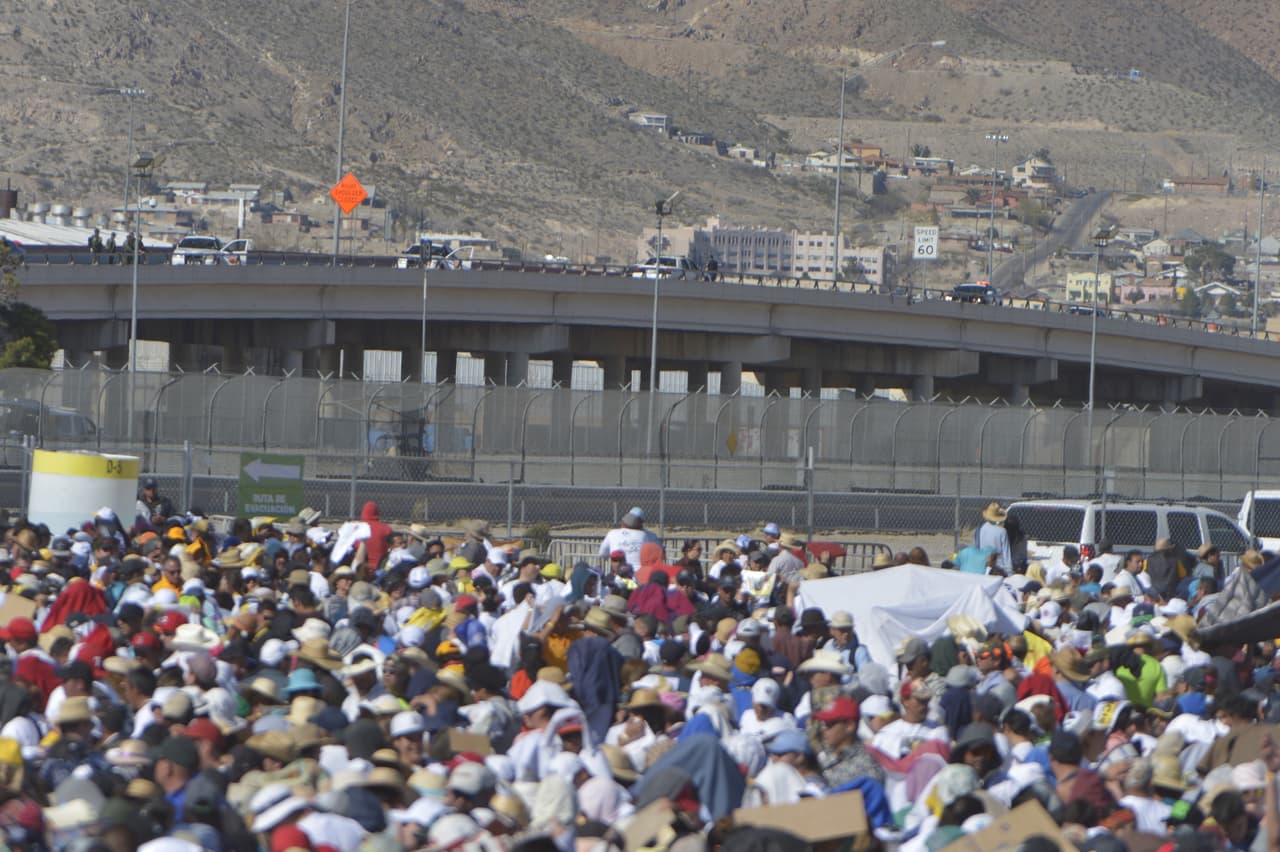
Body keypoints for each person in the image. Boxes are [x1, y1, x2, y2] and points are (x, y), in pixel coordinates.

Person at [597, 507, 660, 572]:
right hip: (640, 573)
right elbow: (658, 554)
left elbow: (602, 554)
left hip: (619, 573)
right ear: (641, 523)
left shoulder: (612, 533)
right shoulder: (647, 535)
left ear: (623, 522)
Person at [975, 502, 1012, 572]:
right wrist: (1009, 570)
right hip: (998, 567)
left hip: (983, 564)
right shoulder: (1002, 531)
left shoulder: (980, 529)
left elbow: (977, 548)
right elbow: (1006, 553)